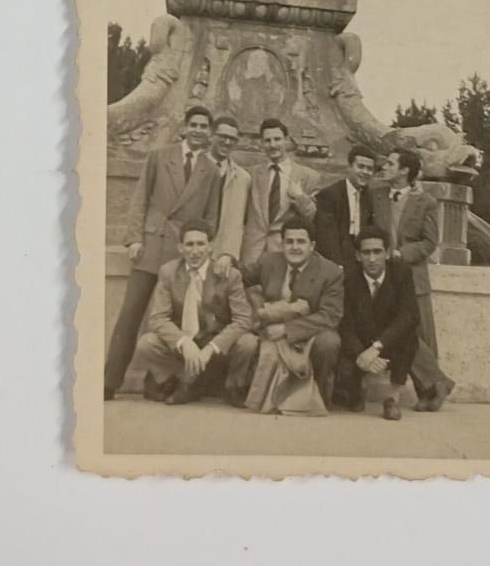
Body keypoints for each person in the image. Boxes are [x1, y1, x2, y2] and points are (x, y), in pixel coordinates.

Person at [103, 105, 221, 400]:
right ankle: (109, 381)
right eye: (194, 124)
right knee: (130, 315)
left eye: (204, 126)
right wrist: (134, 239)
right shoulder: (159, 156)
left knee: (173, 320)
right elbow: (140, 198)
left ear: (209, 133)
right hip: (151, 246)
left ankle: (158, 382)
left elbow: (211, 218)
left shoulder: (211, 170)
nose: (198, 130)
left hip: (183, 254)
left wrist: (201, 252)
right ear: (185, 127)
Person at [133, 219, 255, 406]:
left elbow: (244, 319)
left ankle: (233, 385)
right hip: (184, 341)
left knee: (248, 343)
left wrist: (212, 347)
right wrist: (184, 342)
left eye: (200, 244)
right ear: (180, 248)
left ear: (210, 247)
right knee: (146, 344)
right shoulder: (168, 272)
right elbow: (158, 318)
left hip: (214, 341)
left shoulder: (229, 275)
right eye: (189, 245)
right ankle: (182, 380)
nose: (195, 251)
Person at [369, 149, 455, 411]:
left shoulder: (426, 202)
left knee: (421, 335)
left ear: (405, 170)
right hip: (385, 278)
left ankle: (428, 392)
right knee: (401, 333)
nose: (385, 166)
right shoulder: (376, 195)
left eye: (391, 163)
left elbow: (430, 242)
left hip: (413, 276)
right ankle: (437, 384)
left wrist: (401, 254)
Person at [241, 215, 343, 413]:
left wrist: (287, 329)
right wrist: (225, 260)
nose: (295, 247)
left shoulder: (330, 272)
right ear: (282, 244)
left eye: (301, 242)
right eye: (289, 242)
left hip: (310, 331)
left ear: (312, 245)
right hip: (272, 330)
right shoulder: (269, 261)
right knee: (248, 341)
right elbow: (242, 276)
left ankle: (318, 391)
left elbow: (331, 315)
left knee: (329, 342)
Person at [338, 227, 420, 421]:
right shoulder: (349, 278)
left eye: (377, 252)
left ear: (388, 253)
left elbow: (410, 315)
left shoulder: (401, 272)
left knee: (409, 336)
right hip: (360, 343)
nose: (372, 259)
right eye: (366, 253)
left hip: (386, 341)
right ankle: (356, 389)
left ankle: (392, 398)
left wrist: (377, 347)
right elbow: (345, 324)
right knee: (350, 392)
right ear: (358, 256)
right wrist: (361, 354)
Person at [240, 118, 322, 267]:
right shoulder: (251, 174)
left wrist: (300, 197)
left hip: (286, 253)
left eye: (277, 139)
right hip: (253, 252)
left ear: (287, 140)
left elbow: (312, 217)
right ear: (262, 143)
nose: (273, 145)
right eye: (267, 140)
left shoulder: (309, 176)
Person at [311, 144, 377, 274]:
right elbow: (326, 235)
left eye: (369, 169)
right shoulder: (330, 195)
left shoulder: (369, 196)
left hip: (360, 258)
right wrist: (338, 265)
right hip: (337, 258)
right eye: (360, 166)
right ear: (349, 167)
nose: (365, 172)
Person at [207, 114, 252, 274]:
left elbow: (237, 221)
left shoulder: (243, 178)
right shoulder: (195, 167)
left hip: (221, 255)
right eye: (223, 136)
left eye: (232, 139)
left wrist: (228, 253)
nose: (227, 142)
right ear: (211, 136)